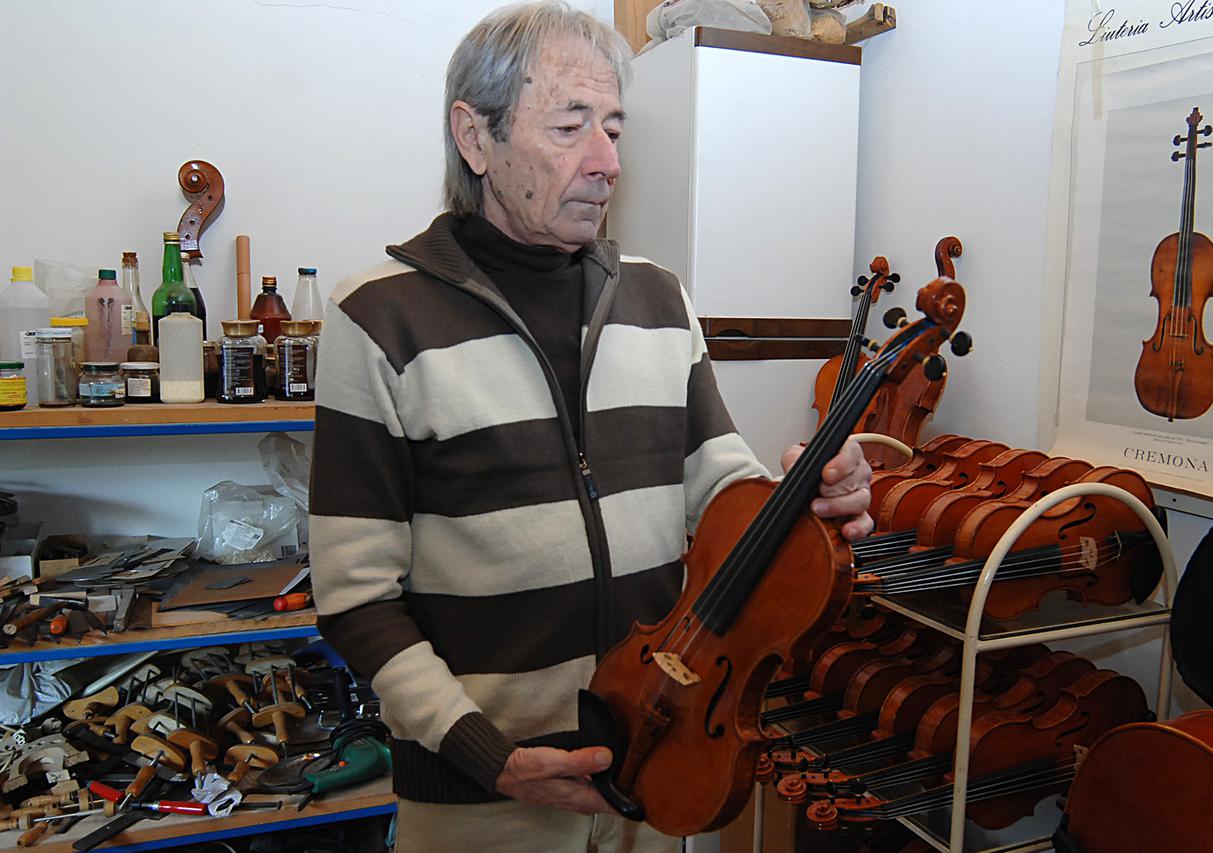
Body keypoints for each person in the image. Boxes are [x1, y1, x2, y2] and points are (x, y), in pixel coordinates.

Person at [308, 3, 874, 851]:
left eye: (613, 128)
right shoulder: (377, 316)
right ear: (475, 136)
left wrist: (809, 494)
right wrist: (488, 756)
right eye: (570, 126)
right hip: (482, 802)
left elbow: (722, 486)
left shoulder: (658, 296)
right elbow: (355, 597)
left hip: (658, 762)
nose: (607, 162)